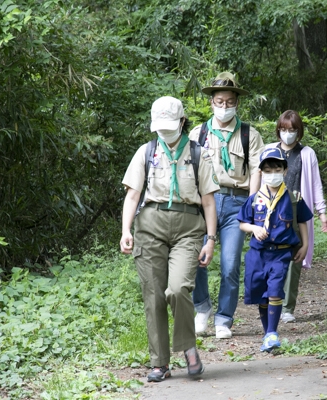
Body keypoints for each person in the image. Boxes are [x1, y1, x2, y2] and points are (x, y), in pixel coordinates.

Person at [119, 96, 219, 382]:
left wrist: (210, 239)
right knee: (153, 296)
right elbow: (133, 195)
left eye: (170, 125)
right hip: (150, 226)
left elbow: (209, 202)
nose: (164, 131)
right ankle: (159, 363)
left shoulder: (198, 153)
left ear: (182, 122)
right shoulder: (146, 152)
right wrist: (126, 231)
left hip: (188, 227)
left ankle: (188, 346)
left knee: (177, 290)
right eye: (160, 126)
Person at [190, 72, 265, 339]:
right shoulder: (197, 133)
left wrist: (253, 203)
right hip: (203, 203)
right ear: (211, 102)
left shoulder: (249, 134)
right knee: (196, 259)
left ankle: (224, 318)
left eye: (230, 102)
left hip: (236, 202)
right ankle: (202, 308)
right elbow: (188, 172)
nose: (224, 107)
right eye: (219, 101)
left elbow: (257, 169)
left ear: (237, 103)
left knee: (230, 264)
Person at [237, 147, 313, 352]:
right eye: (268, 170)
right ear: (261, 172)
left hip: (281, 253)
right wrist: (254, 228)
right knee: (261, 293)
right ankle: (267, 333)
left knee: (275, 290)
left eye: (277, 169)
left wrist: (305, 245)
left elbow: (303, 220)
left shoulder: (293, 197)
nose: (273, 174)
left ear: (285, 170)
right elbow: (242, 224)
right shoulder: (254, 199)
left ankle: (272, 332)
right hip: (258, 253)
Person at [264, 110, 327, 323]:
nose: (288, 134)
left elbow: (315, 184)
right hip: (271, 211)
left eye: (292, 130)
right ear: (278, 130)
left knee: (294, 260)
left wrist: (322, 213)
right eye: (284, 130)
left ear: (298, 132)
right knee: (271, 258)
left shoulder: (306, 153)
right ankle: (270, 300)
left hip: (296, 212)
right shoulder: (269, 151)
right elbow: (258, 180)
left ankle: (287, 307)